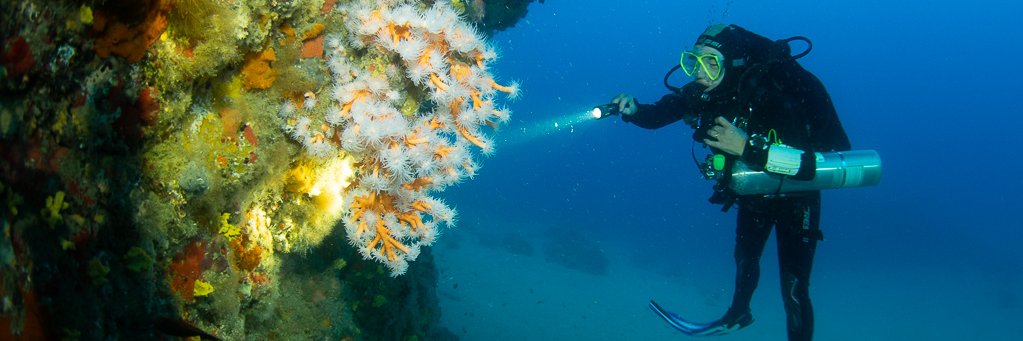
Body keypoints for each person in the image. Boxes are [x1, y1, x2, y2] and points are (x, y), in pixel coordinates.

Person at [611, 24, 850, 341]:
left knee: (794, 286)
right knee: (745, 258)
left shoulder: (775, 96)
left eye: (712, 61)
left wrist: (746, 147)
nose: (699, 71)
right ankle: (739, 314)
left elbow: (808, 168)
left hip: (796, 197)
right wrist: (634, 110)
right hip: (752, 190)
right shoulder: (706, 91)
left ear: (734, 64)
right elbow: (660, 114)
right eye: (695, 60)